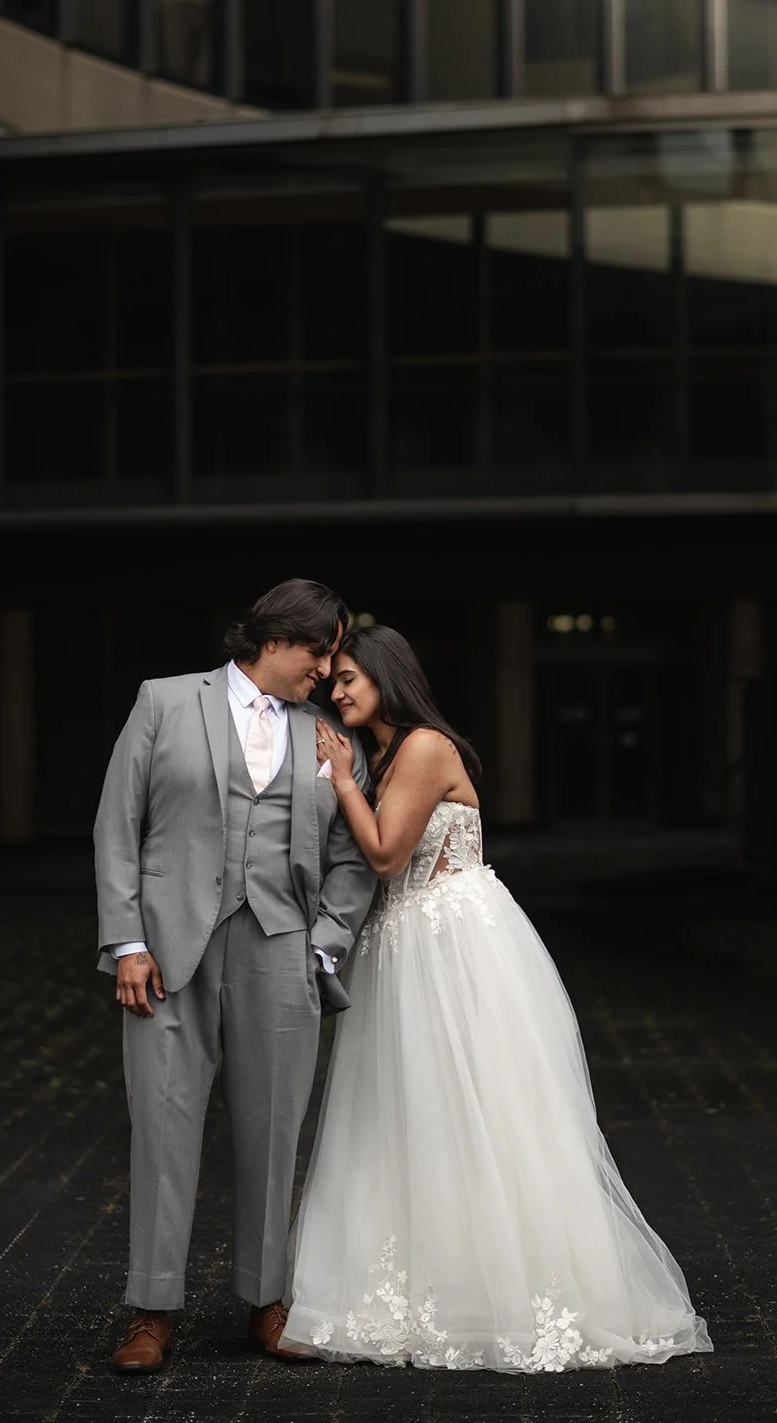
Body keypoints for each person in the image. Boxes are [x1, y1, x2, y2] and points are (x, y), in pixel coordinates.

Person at [282, 624, 712, 1373]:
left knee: (478, 1111)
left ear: (387, 676)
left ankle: (514, 1291)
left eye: (348, 677)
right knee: (405, 1118)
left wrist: (342, 782)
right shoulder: (386, 750)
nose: (336, 690)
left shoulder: (420, 747)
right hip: (404, 945)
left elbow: (385, 855)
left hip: (448, 945)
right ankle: (420, 1289)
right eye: (334, 679)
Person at [94, 579, 377, 1372]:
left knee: (273, 1129)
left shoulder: (327, 735)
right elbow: (117, 825)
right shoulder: (164, 701)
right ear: (276, 638)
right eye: (319, 652)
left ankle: (268, 1301)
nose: (325, 670)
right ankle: (151, 1310)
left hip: (281, 948)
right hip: (166, 953)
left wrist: (322, 943)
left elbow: (353, 856)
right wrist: (126, 943)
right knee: (162, 1125)